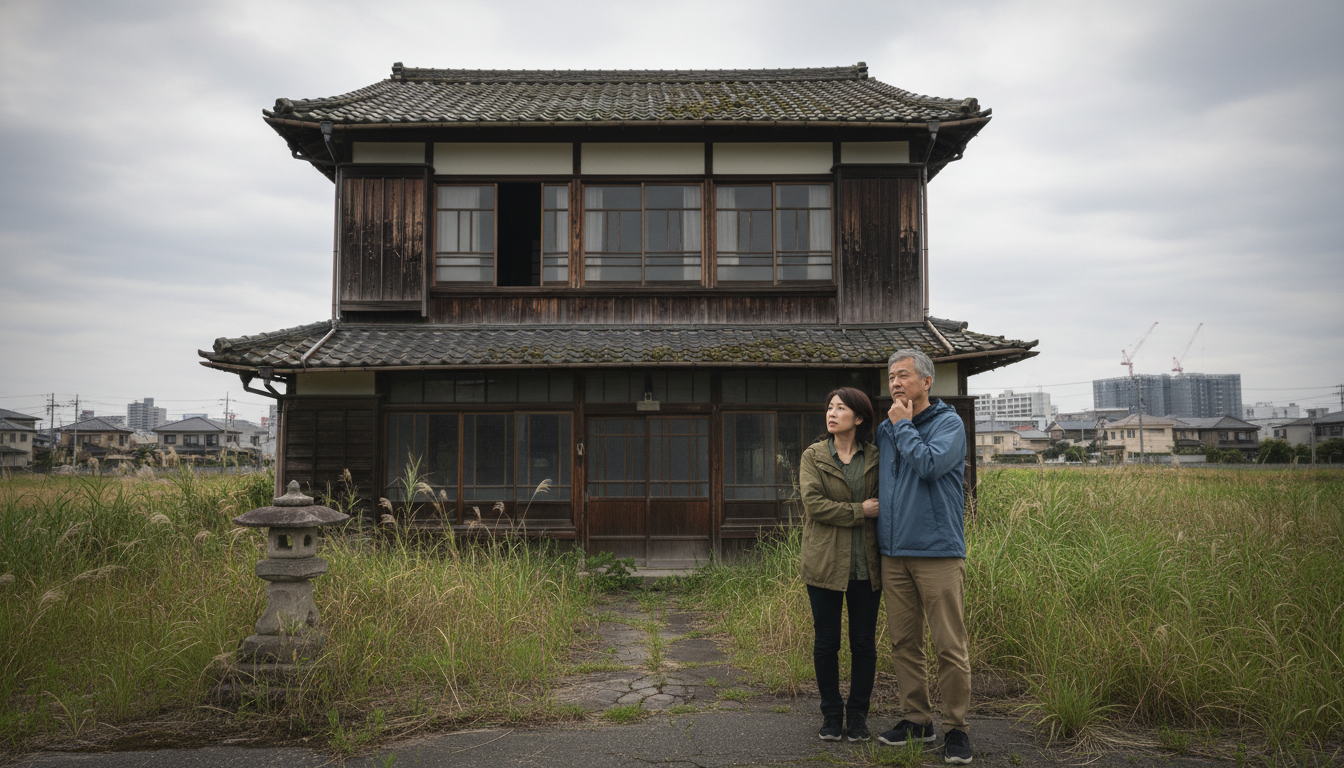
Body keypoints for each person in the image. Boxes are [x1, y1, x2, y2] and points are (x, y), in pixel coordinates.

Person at [874, 349, 974, 765]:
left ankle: (956, 728)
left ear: (927, 382)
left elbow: (929, 465)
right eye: (891, 377)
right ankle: (917, 718)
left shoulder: (948, 424)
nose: (895, 383)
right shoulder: (886, 428)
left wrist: (903, 426)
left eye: (904, 376)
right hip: (894, 552)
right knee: (904, 642)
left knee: (949, 644)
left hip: (936, 550)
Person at [798, 386, 882, 743]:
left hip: (866, 564)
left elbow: (888, 500)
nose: (832, 413)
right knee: (826, 642)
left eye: (841, 408)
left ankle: (859, 716)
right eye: (829, 407)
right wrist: (859, 511)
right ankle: (832, 714)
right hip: (824, 562)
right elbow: (814, 504)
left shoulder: (876, 457)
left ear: (859, 418)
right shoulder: (814, 455)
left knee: (863, 644)